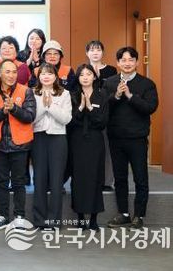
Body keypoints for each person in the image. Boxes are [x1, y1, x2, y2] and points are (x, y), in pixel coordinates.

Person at [104, 47, 158, 229]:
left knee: (140, 178)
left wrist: (129, 96)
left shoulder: (147, 84)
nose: (127, 63)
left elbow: (150, 107)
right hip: (116, 138)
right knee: (119, 178)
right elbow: (103, 107)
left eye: (131, 60)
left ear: (137, 62)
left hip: (137, 138)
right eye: (123, 60)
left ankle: (139, 215)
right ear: (118, 63)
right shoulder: (110, 82)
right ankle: (124, 214)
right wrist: (116, 96)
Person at [0, 59, 36, 230]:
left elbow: (30, 116)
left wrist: (14, 108)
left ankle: (19, 216)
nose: (11, 75)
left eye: (14, 72)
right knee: (1, 182)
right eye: (7, 72)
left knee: (19, 182)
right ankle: (2, 215)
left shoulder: (26, 91)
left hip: (20, 144)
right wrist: (3, 111)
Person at [67, 64, 108, 231]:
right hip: (77, 141)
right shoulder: (72, 95)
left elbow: (103, 122)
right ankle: (80, 218)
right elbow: (69, 121)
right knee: (78, 178)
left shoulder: (102, 95)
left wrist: (90, 108)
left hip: (95, 141)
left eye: (88, 74)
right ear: (78, 78)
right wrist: (81, 108)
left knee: (95, 177)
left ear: (94, 77)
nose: (85, 77)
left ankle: (93, 219)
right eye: (82, 74)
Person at [32, 63, 72, 230]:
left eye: (49, 73)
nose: (46, 76)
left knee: (56, 181)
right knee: (39, 179)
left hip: (58, 138)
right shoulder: (32, 93)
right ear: (39, 76)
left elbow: (66, 119)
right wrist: (44, 106)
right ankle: (39, 220)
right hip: (38, 138)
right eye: (43, 74)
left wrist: (50, 106)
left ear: (56, 76)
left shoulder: (64, 93)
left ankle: (54, 221)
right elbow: (31, 119)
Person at [85, 40, 118, 191]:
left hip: (106, 114)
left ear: (103, 52)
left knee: (106, 149)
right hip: (87, 115)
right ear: (87, 53)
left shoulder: (111, 70)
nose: (95, 53)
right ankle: (90, 179)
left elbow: (113, 92)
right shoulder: (84, 69)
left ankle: (106, 181)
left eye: (98, 50)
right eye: (92, 50)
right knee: (89, 150)